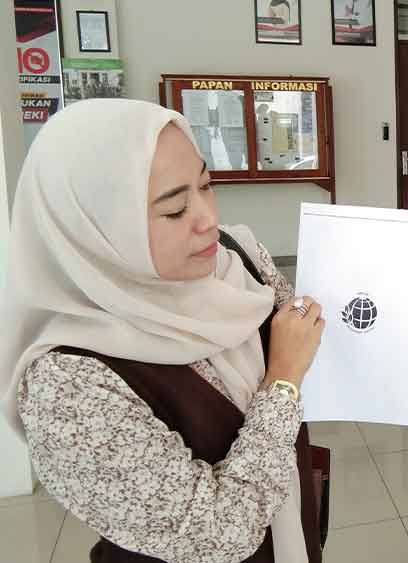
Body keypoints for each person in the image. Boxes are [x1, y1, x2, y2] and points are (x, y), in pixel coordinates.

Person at [0, 99, 326, 563]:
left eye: (206, 185)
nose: (207, 219)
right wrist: (283, 382)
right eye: (174, 209)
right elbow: (218, 536)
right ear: (96, 230)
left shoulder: (237, 258)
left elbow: (307, 338)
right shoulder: (66, 384)